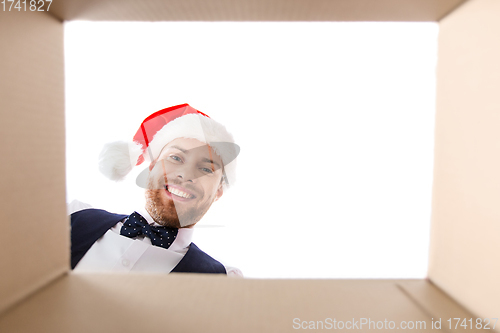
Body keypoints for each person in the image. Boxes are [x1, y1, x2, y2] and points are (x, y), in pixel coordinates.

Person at [70, 103, 241, 276]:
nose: (185, 175)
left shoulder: (224, 280)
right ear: (152, 166)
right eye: (175, 158)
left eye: (206, 169)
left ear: (219, 191)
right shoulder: (70, 216)